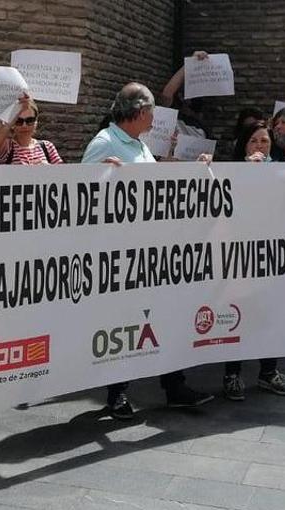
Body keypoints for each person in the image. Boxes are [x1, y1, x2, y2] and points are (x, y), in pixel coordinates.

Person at [81, 82, 214, 418]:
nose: (155, 119)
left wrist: (192, 168)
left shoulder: (137, 144)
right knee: (123, 325)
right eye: (152, 113)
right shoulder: (104, 143)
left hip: (149, 252)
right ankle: (117, 394)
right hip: (120, 254)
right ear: (140, 112)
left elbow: (150, 183)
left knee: (163, 318)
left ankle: (174, 386)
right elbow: (82, 193)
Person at [218, 107, 285, 401]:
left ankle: (268, 372)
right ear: (244, 145)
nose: (259, 147)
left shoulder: (282, 171)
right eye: (254, 141)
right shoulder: (230, 172)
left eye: (264, 142)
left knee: (269, 314)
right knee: (238, 314)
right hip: (239, 256)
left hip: (270, 256)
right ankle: (232, 374)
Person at [0, 95, 63, 165]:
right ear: (13, 124)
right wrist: (9, 120)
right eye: (18, 121)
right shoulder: (7, 146)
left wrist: (49, 169)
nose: (24, 125)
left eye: (29, 120)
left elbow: (65, 175)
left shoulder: (47, 147)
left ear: (36, 122)